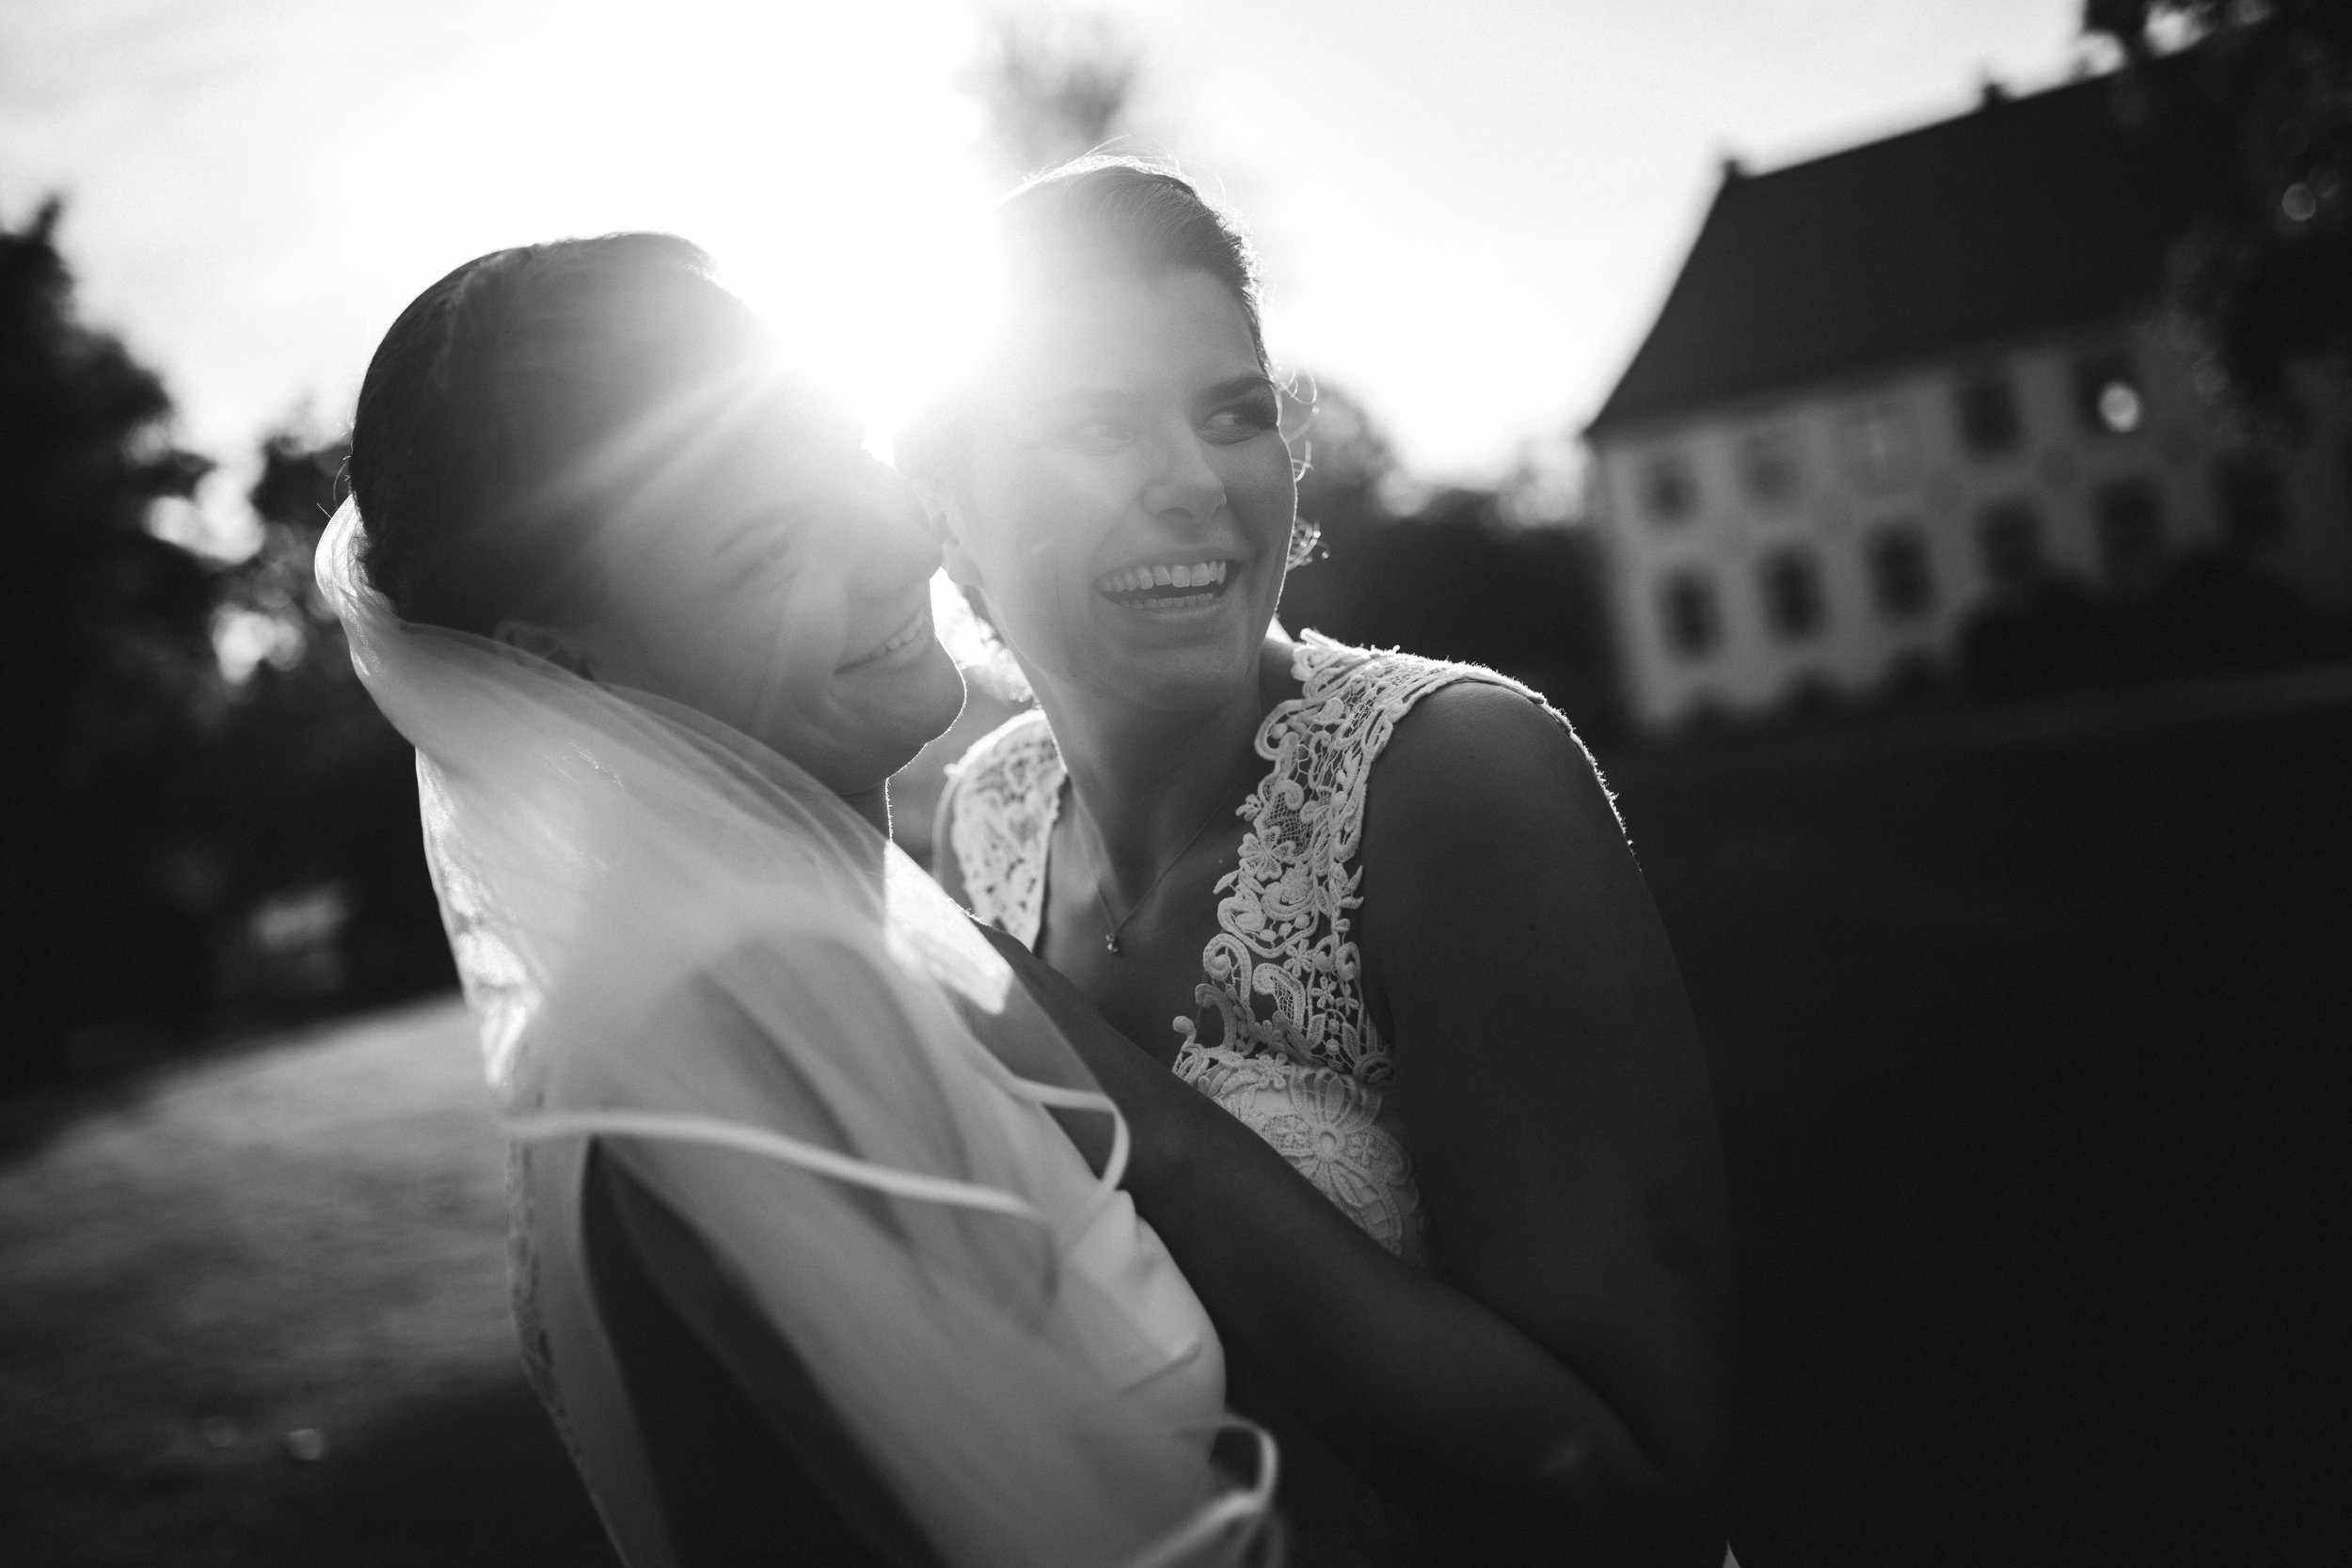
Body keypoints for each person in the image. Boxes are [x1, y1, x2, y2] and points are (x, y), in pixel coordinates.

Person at [325, 232, 1277, 1568]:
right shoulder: (761, 1013)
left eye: (849, 453)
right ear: (561, 660)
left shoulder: (779, 951)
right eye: (770, 543)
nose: (895, 539)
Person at [919, 160, 1736, 1566]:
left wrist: (1126, 1112)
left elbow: (1634, 1509)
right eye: (1093, 426)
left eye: (1232, 412)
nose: (1190, 482)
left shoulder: (1459, 781)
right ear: (951, 510)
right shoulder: (984, 822)